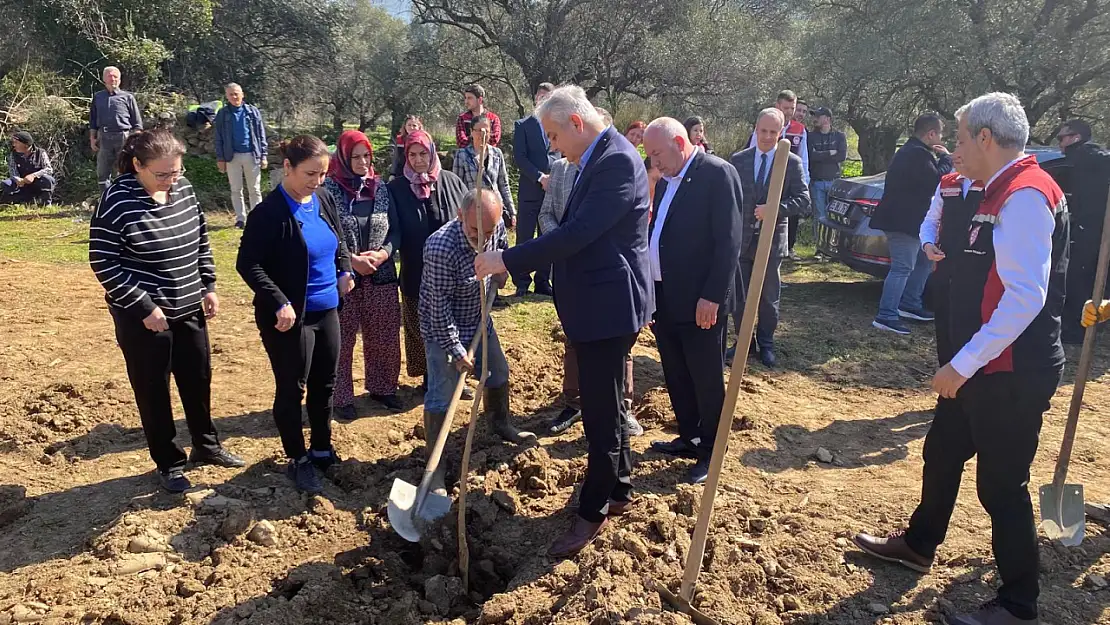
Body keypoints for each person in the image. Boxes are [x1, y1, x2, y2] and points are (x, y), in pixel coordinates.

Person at [855, 93, 1069, 625]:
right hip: (976, 362)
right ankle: (919, 544)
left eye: (959, 137)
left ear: (986, 139)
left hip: (1011, 371)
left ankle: (1019, 603)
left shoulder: (1023, 197)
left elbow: (1024, 298)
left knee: (1001, 486)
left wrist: (962, 363)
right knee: (943, 451)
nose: (952, 148)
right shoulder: (985, 190)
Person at [474, 84, 654, 558]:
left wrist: (507, 260)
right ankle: (619, 489)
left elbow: (578, 233)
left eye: (554, 136)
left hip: (608, 308)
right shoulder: (596, 157)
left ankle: (592, 510)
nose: (552, 146)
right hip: (597, 304)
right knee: (609, 403)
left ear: (577, 123)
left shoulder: (615, 159)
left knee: (599, 413)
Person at [89, 129, 244, 493]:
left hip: (189, 304)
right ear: (138, 165)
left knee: (198, 377)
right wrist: (143, 306)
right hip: (144, 317)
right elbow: (104, 261)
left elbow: (201, 237)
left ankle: (207, 446)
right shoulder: (115, 200)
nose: (171, 180)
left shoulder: (184, 189)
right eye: (162, 174)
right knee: (153, 389)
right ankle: (169, 462)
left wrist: (208, 284)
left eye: (175, 171)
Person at [236, 135, 356, 494]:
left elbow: (340, 240)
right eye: (310, 173)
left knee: (326, 383)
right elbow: (248, 264)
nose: (317, 181)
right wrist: (278, 300)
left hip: (327, 309)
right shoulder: (269, 213)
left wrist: (345, 269)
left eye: (322, 173)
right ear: (286, 167)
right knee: (293, 388)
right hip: (290, 318)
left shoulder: (323, 198)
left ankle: (321, 448)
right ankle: (297, 458)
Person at [643, 118, 742, 485]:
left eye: (656, 153)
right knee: (676, 373)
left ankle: (711, 451)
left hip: (701, 301)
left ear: (679, 143)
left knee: (704, 377)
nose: (654, 161)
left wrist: (713, 296)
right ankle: (690, 436)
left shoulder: (717, 174)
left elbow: (729, 241)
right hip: (666, 295)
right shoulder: (668, 179)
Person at [420, 187, 534, 458]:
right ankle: (435, 463)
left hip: (479, 318)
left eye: (489, 231)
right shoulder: (440, 247)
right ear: (460, 215)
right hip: (443, 330)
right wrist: (457, 351)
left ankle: (499, 423)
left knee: (498, 373)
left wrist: (501, 269)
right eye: (475, 231)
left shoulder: (495, 228)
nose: (483, 239)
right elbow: (439, 310)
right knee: (442, 395)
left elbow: (503, 251)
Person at [538, 148, 643, 438]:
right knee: (573, 335)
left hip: (601, 273)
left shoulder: (612, 169)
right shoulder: (560, 169)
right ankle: (573, 403)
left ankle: (623, 407)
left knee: (617, 344)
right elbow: (547, 213)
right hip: (568, 270)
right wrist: (558, 242)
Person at [323, 130, 403, 419]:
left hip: (381, 275)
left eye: (366, 155)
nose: (362, 162)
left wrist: (383, 254)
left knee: (384, 335)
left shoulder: (380, 188)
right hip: (345, 276)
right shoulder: (329, 190)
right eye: (355, 156)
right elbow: (327, 233)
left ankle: (383, 388)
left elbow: (396, 230)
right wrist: (352, 261)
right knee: (342, 339)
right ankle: (340, 396)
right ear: (343, 158)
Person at [727, 108, 811, 368]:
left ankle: (766, 344)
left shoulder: (791, 163)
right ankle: (744, 343)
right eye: (763, 131)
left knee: (767, 298)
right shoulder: (739, 160)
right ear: (756, 129)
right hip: (742, 242)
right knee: (740, 298)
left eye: (773, 132)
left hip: (772, 243)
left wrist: (774, 209)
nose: (767, 136)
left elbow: (804, 201)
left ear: (781, 132)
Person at [389, 130, 470, 390]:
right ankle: (430, 379)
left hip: (451, 272)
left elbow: (467, 220)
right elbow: (394, 229)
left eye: (423, 153)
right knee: (421, 327)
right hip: (415, 270)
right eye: (412, 155)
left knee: (454, 323)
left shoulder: (452, 181)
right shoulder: (396, 188)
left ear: (432, 152)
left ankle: (457, 375)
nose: (418, 160)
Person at [868, 113, 954, 335]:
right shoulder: (916, 154)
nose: (942, 139)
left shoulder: (914, 152)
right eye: (941, 134)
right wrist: (947, 160)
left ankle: (910, 303)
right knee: (903, 267)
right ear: (931, 134)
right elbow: (935, 180)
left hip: (912, 220)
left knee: (924, 261)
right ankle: (886, 315)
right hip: (901, 221)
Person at [1056, 119, 1110, 344]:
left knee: (1077, 279)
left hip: (1087, 230)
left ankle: (1078, 331)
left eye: (1062, 138)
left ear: (1075, 138)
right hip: (1097, 231)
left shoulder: (1081, 157)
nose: (1059, 144)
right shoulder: (1094, 159)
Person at [749, 90, 810, 259]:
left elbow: (803, 158)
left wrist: (805, 179)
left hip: (787, 184)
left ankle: (786, 249)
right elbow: (753, 151)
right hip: (762, 182)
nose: (790, 112)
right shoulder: (765, 124)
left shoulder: (799, 130)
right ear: (778, 106)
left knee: (784, 222)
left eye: (793, 108)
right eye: (786, 107)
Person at [511, 82, 556, 297]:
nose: (543, 100)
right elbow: (520, 157)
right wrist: (540, 177)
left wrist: (553, 177)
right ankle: (521, 281)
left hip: (552, 190)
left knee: (546, 236)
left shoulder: (557, 125)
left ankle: (542, 280)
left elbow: (560, 154)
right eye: (541, 97)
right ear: (535, 99)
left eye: (548, 97)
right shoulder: (523, 125)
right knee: (525, 237)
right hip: (530, 190)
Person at [214, 83, 268, 229]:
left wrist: (263, 155)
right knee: (236, 189)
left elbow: (260, 134)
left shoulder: (252, 111)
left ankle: (257, 218)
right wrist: (220, 158)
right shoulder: (223, 114)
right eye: (231, 94)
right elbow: (218, 137)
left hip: (252, 154)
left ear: (242, 94)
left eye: (236, 93)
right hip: (232, 156)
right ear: (227, 96)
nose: (234, 96)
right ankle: (240, 219)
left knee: (255, 189)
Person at [452, 115, 516, 227]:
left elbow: (503, 184)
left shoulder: (497, 154)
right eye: (479, 131)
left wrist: (512, 211)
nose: (483, 134)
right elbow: (456, 188)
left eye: (486, 131)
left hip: (494, 208)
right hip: (473, 210)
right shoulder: (461, 155)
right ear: (471, 132)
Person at [90, 66, 143, 193]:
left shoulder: (128, 97)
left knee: (124, 170)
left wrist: (134, 142)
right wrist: (92, 139)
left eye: (115, 76)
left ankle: (124, 198)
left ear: (119, 79)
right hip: (104, 137)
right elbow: (92, 121)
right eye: (110, 76)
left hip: (123, 137)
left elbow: (137, 124)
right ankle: (105, 200)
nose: (113, 79)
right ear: (104, 79)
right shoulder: (98, 97)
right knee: (102, 172)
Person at [807, 107, 847, 235]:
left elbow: (841, 156)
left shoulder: (839, 136)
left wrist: (819, 155)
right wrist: (830, 153)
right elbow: (810, 156)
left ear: (827, 119)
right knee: (819, 215)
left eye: (818, 116)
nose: (815, 119)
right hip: (817, 182)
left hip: (834, 182)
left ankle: (833, 245)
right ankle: (819, 248)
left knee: (835, 217)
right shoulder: (810, 137)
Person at [2, 131, 55, 205]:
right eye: (13, 142)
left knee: (48, 180)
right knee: (6, 184)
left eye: (16, 143)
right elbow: (12, 170)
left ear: (26, 145)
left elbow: (49, 169)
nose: (14, 145)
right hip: (22, 184)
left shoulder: (40, 153)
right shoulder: (13, 154)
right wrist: (17, 179)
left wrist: (33, 175)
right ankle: (15, 204)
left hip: (37, 183)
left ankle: (46, 204)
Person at [455, 84, 502, 148]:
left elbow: (494, 139)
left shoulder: (493, 118)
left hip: (489, 156)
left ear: (479, 100)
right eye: (465, 98)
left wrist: (474, 137)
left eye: (469, 98)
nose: (466, 101)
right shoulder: (462, 118)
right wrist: (483, 137)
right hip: (468, 157)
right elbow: (461, 141)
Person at [390, 116, 424, 181]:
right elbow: (396, 158)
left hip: (417, 172)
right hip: (401, 172)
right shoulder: (400, 140)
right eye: (409, 125)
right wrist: (392, 173)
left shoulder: (423, 140)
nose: (411, 127)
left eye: (414, 125)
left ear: (419, 127)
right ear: (405, 126)